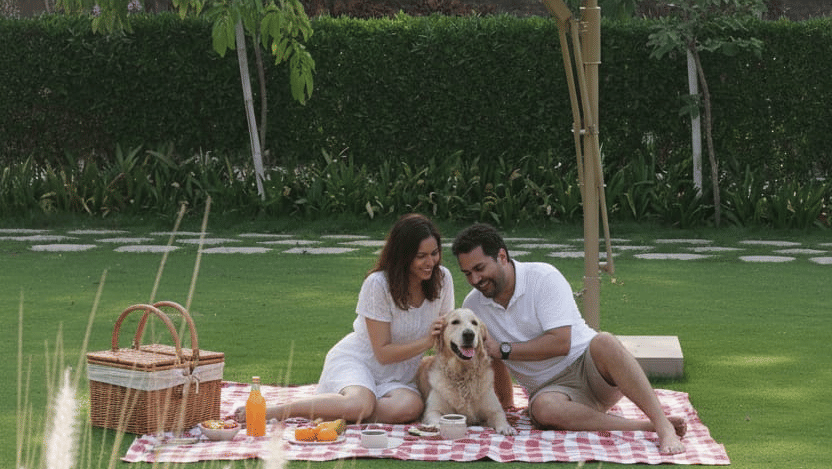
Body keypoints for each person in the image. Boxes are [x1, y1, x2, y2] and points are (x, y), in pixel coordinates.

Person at [451, 223, 686, 454]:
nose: (474, 279)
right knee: (542, 409)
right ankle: (645, 427)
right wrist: (505, 403)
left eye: (479, 268)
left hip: (591, 369)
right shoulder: (473, 306)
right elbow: (491, 360)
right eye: (467, 273)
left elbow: (560, 343)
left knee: (605, 341)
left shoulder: (543, 277)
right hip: (550, 391)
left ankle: (662, 424)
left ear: (501, 256)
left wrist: (503, 349)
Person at [235, 213, 454, 424]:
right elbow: (383, 353)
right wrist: (427, 342)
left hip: (398, 377)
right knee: (360, 403)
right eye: (421, 256)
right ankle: (278, 411)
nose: (430, 262)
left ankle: (346, 411)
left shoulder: (442, 279)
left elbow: (447, 336)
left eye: (434, 253)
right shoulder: (378, 284)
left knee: (411, 407)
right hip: (360, 360)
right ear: (402, 256)